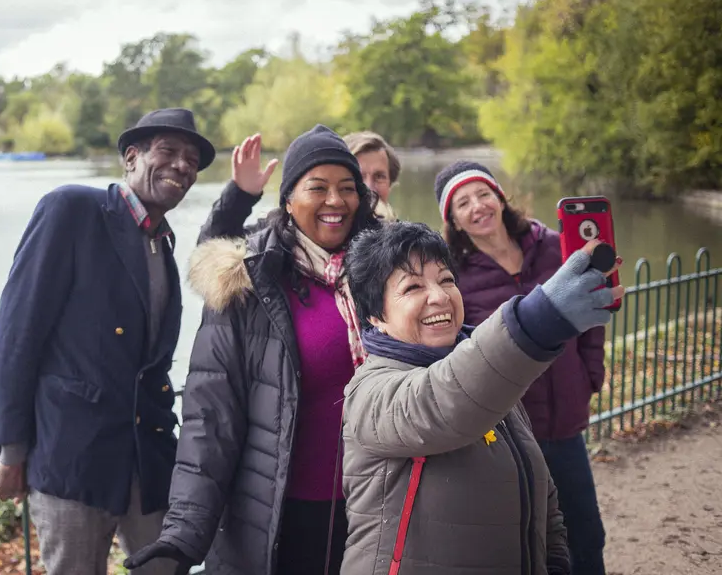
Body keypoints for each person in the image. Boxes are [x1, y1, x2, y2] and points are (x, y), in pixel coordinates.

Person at [124, 125, 380, 575]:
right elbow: (210, 422)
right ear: (287, 200)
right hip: (278, 517)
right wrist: (183, 534)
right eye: (316, 188)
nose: (335, 201)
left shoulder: (388, 274)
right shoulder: (249, 283)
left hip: (378, 509)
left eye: (347, 188)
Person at [0, 108, 216, 575]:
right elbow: (16, 333)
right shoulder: (72, 210)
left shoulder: (165, 246)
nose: (181, 166)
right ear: (131, 157)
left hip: (146, 460)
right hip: (74, 461)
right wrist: (11, 451)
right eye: (167, 152)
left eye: (191, 159)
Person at [340, 221, 624, 574]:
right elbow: (441, 400)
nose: (440, 296)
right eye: (413, 286)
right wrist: (540, 319)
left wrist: (554, 562)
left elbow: (542, 499)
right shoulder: (370, 392)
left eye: (446, 279)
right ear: (375, 317)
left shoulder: (490, 380)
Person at [435, 161, 609, 574]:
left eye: (483, 194)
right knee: (525, 539)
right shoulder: (454, 276)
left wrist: (590, 373)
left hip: (565, 421)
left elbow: (594, 303)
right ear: (454, 220)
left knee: (585, 532)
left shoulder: (554, 245)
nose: (477, 206)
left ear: (499, 197)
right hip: (510, 424)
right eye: (463, 203)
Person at [197, 130, 400, 243]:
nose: (369, 187)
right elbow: (212, 249)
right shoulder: (274, 240)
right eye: (359, 178)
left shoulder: (398, 244)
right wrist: (241, 195)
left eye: (380, 177)